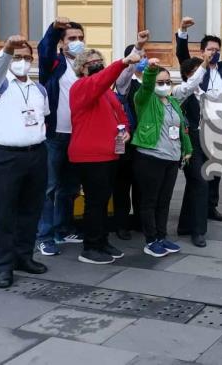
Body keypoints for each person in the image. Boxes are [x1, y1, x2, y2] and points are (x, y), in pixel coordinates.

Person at [0, 36, 49, 288]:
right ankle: (3, 266)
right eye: (17, 57)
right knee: (4, 214)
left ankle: (23, 257)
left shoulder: (38, 89)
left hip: (36, 154)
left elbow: (43, 119)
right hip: (5, 157)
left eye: (27, 58)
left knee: (31, 211)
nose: (23, 62)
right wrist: (7, 49)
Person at [69, 47, 141, 264]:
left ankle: (102, 240)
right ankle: (90, 247)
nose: (98, 63)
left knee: (102, 202)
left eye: (100, 60)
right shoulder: (81, 86)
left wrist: (126, 130)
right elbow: (101, 79)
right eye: (92, 62)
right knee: (95, 202)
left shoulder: (106, 92)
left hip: (109, 154)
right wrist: (123, 62)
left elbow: (120, 113)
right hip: (90, 155)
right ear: (82, 69)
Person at [132, 59, 193, 257]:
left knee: (164, 201)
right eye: (161, 82)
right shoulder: (144, 99)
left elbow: (182, 129)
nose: (165, 85)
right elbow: (147, 84)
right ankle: (150, 240)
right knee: (150, 201)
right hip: (151, 157)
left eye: (168, 81)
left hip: (172, 159)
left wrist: (187, 148)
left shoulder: (173, 102)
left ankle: (161, 236)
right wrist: (150, 71)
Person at [176, 16, 222, 221]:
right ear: (202, 52)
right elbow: (181, 54)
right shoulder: (196, 71)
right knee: (201, 171)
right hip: (200, 129)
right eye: (210, 49)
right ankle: (195, 210)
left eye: (217, 49)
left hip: (221, 127)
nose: (214, 53)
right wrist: (182, 32)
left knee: (216, 169)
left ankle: (211, 207)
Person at [36, 17, 85, 256]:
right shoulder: (53, 63)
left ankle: (63, 229)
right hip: (55, 135)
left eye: (80, 38)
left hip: (78, 137)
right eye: (72, 38)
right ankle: (44, 236)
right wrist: (54, 29)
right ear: (62, 43)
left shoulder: (85, 67)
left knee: (69, 187)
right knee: (49, 187)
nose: (77, 42)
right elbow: (44, 49)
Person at [113, 32, 150, 240]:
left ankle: (139, 220)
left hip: (143, 141)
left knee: (140, 184)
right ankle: (121, 223)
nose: (143, 60)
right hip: (126, 140)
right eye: (139, 57)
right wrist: (132, 59)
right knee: (122, 184)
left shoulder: (149, 81)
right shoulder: (124, 82)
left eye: (144, 57)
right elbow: (125, 75)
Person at [175, 56, 211, 247]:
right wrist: (204, 65)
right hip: (189, 143)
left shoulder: (203, 94)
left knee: (194, 183)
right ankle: (198, 231)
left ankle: (185, 225)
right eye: (197, 71)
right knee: (200, 183)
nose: (201, 74)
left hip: (204, 142)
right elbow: (191, 85)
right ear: (189, 75)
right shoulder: (181, 91)